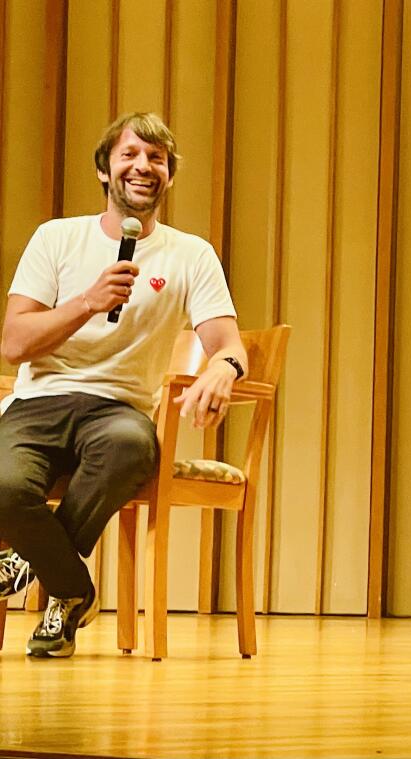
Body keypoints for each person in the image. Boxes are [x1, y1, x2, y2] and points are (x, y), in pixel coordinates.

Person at [0, 112, 248, 658]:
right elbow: (14, 343)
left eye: (156, 158)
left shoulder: (191, 254)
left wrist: (221, 369)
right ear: (104, 170)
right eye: (130, 155)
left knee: (131, 446)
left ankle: (31, 560)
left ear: (169, 176)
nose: (143, 167)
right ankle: (70, 588)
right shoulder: (57, 238)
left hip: (120, 409)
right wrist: (87, 301)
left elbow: (228, 345)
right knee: (3, 485)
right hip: (39, 401)